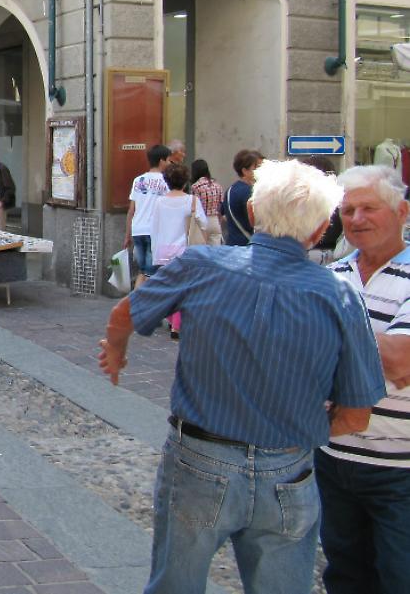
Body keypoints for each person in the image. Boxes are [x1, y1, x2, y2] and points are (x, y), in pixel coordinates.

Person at [98, 159, 386, 594]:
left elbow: (126, 313)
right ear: (320, 228)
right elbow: (356, 416)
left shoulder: (200, 265)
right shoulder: (340, 295)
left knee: (175, 585)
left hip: (199, 457)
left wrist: (116, 353)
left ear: (251, 212)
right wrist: (293, 428)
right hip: (288, 469)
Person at [316, 166, 410, 594]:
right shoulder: (333, 275)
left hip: (400, 467)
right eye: (348, 210)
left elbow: (401, 362)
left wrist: (329, 331)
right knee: (345, 576)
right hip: (334, 459)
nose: (356, 219)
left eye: (369, 208)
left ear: (401, 212)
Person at [149, 163, 207, 339]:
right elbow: (204, 224)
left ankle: (171, 318)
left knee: (169, 286)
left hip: (163, 249)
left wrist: (155, 251)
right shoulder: (191, 201)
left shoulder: (159, 202)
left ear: (166, 181)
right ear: (186, 181)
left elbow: (154, 228)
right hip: (184, 249)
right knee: (184, 288)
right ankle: (177, 325)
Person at [124, 144, 171, 285]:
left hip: (138, 230)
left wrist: (127, 235)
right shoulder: (166, 181)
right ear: (162, 160)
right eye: (168, 160)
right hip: (154, 232)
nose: (169, 163)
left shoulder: (138, 180)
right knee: (151, 274)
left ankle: (135, 298)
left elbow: (131, 210)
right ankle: (145, 298)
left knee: (142, 271)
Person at [224, 148, 263, 246]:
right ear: (245, 171)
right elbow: (256, 222)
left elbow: (223, 215)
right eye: (256, 168)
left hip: (232, 243)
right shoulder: (248, 192)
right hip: (246, 245)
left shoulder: (230, 190)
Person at [189, 159, 224, 246]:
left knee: (201, 250)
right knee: (215, 251)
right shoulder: (217, 185)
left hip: (201, 221)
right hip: (215, 220)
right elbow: (221, 205)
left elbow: (194, 207)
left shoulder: (195, 187)